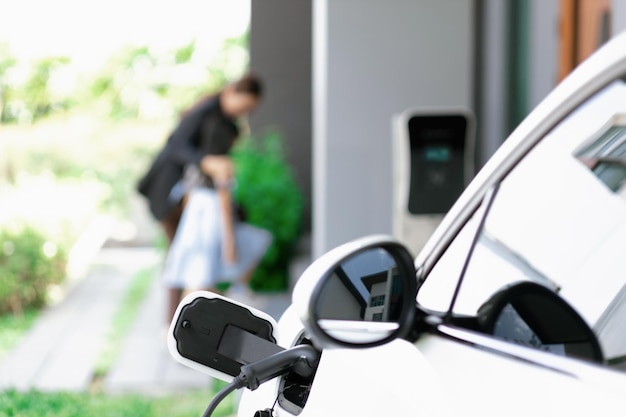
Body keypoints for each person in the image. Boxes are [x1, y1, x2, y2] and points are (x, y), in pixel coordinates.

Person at [137, 73, 271, 323]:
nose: (244, 112)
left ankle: (177, 324)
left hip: (195, 197)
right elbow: (176, 145)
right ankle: (174, 325)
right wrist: (207, 162)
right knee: (187, 264)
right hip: (172, 195)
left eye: (248, 110)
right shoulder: (209, 115)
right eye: (243, 106)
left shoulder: (224, 122)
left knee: (187, 264)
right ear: (232, 93)